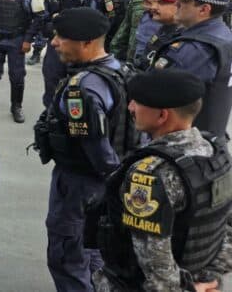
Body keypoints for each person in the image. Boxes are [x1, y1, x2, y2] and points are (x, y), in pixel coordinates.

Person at [90, 68, 232, 292]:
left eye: (137, 102)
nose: (131, 107)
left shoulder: (149, 174)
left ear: (162, 116)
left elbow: (155, 263)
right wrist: (210, 279)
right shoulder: (216, 154)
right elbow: (225, 224)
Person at [32, 8, 133, 292]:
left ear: (87, 42)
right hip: (111, 176)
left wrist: (113, 180)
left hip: (81, 182)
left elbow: (95, 145)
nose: (54, 43)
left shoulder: (82, 89)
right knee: (95, 249)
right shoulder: (120, 70)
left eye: (62, 37)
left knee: (67, 255)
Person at [151, 0, 232, 142]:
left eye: (184, 1)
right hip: (208, 137)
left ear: (204, 9)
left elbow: (158, 94)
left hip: (183, 143)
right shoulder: (222, 34)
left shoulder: (197, 49)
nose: (176, 4)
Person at [40, 0, 113, 107]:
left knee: (80, 86)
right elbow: (44, 14)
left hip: (83, 48)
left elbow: (107, 22)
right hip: (57, 44)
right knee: (51, 79)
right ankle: (50, 113)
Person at [135, 0, 183, 70]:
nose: (153, 7)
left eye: (160, 3)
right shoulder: (165, 28)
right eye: (154, 2)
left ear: (179, 5)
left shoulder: (183, 38)